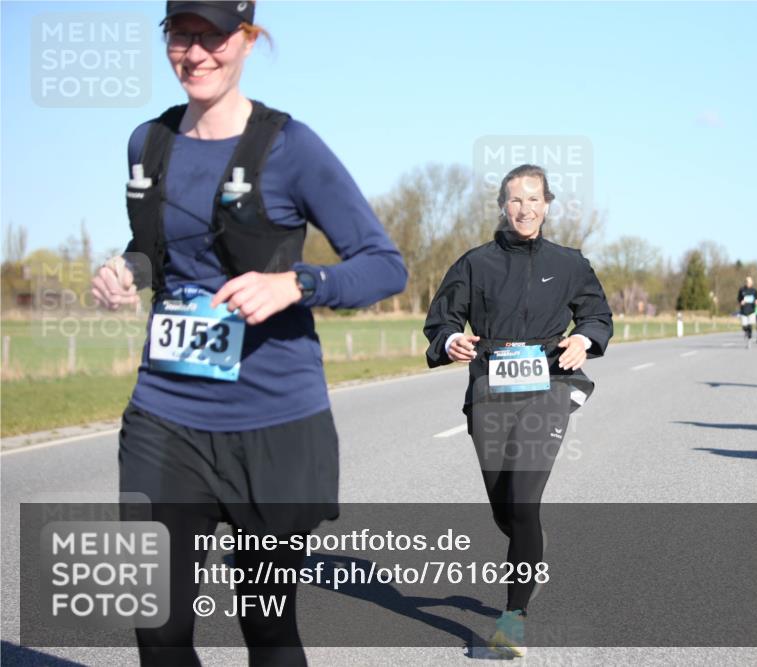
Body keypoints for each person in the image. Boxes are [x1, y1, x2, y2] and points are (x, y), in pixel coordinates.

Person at [90, 3, 407, 664]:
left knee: (264, 624)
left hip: (272, 423)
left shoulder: (291, 147)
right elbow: (157, 252)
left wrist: (296, 283)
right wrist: (125, 270)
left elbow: (385, 266)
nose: (197, 52)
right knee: (158, 623)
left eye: (214, 36)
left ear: (247, 40)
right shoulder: (146, 143)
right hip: (164, 417)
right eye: (182, 34)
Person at [424, 164, 613, 658]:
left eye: (533, 200)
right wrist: (450, 341)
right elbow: (441, 320)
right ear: (502, 207)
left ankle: (513, 619)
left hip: (548, 387)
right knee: (505, 508)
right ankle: (530, 549)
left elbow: (597, 315)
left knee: (524, 503)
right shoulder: (474, 264)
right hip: (489, 388)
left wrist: (584, 339)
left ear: (548, 204)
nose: (524, 209)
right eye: (515, 200)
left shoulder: (570, 263)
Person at [737, 276, 757, 349]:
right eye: (747, 282)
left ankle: (749, 340)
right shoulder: (742, 290)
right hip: (743, 311)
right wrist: (741, 302)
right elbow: (739, 299)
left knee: (750, 326)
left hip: (752, 311)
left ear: (752, 283)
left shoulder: (754, 291)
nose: (748, 283)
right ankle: (746, 332)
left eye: (749, 282)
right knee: (744, 326)